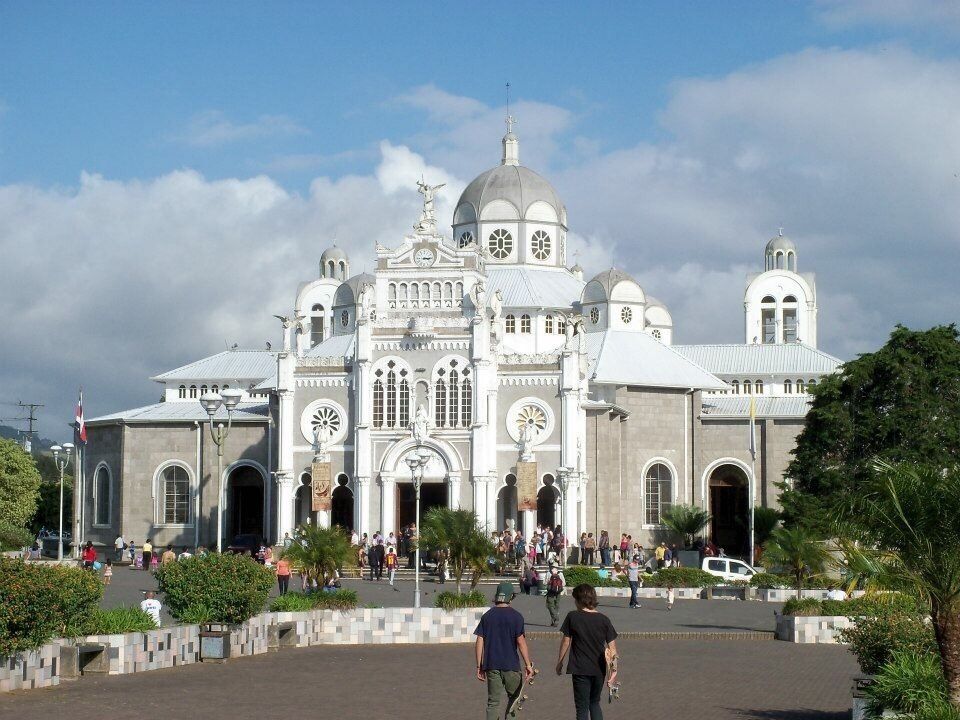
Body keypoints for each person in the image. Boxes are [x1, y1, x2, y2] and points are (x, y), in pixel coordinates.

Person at [556, 584, 619, 720]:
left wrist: (560, 662)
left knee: (582, 707)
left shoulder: (573, 616)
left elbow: (566, 641)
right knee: (595, 703)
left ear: (579, 600)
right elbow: (613, 648)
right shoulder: (604, 619)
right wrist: (614, 671)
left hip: (580, 668)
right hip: (599, 669)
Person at [474, 582, 535, 720]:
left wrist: (479, 665)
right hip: (511, 665)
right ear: (511, 597)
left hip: (491, 665)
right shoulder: (516, 617)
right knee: (514, 699)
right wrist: (528, 665)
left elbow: (479, 641)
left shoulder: (487, 616)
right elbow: (521, 642)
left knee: (493, 703)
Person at [546, 562, 566, 627]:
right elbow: (564, 584)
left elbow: (544, 582)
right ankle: (554, 621)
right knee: (556, 605)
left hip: (550, 592)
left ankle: (555, 617)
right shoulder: (561, 574)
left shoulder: (548, 573)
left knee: (549, 605)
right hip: (558, 592)